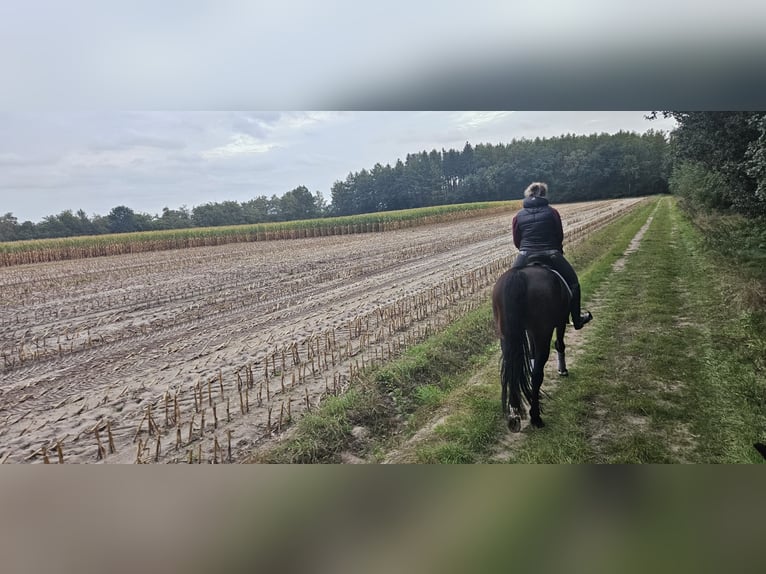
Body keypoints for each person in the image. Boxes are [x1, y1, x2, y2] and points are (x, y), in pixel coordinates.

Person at [511, 182, 592, 330]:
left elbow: (517, 240)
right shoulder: (552, 212)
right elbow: (558, 236)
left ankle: (510, 324)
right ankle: (577, 319)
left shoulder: (518, 216)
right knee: (573, 283)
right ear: (543, 195)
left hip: (525, 254)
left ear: (528, 195)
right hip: (551, 253)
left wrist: (526, 250)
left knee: (509, 286)